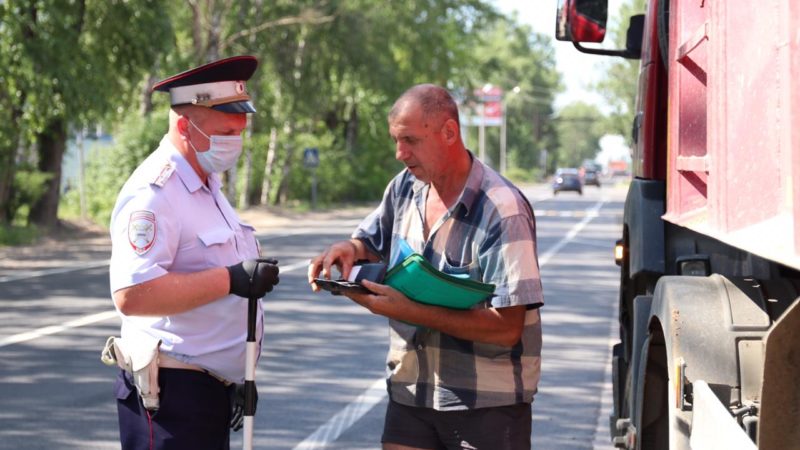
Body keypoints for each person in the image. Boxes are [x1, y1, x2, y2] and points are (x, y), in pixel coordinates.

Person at [308, 84, 544, 450]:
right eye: (395, 140)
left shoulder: (502, 209)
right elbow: (369, 243)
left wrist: (412, 311)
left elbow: (507, 329)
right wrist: (348, 249)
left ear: (449, 132)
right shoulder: (405, 188)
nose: (400, 153)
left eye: (411, 140)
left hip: (486, 406)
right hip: (410, 394)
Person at [107, 55, 279, 450]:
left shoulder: (207, 184)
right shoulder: (154, 193)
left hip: (206, 390)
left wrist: (234, 377)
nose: (235, 142)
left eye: (240, 131)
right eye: (225, 132)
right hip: (170, 396)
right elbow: (132, 295)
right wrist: (232, 279)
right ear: (185, 125)